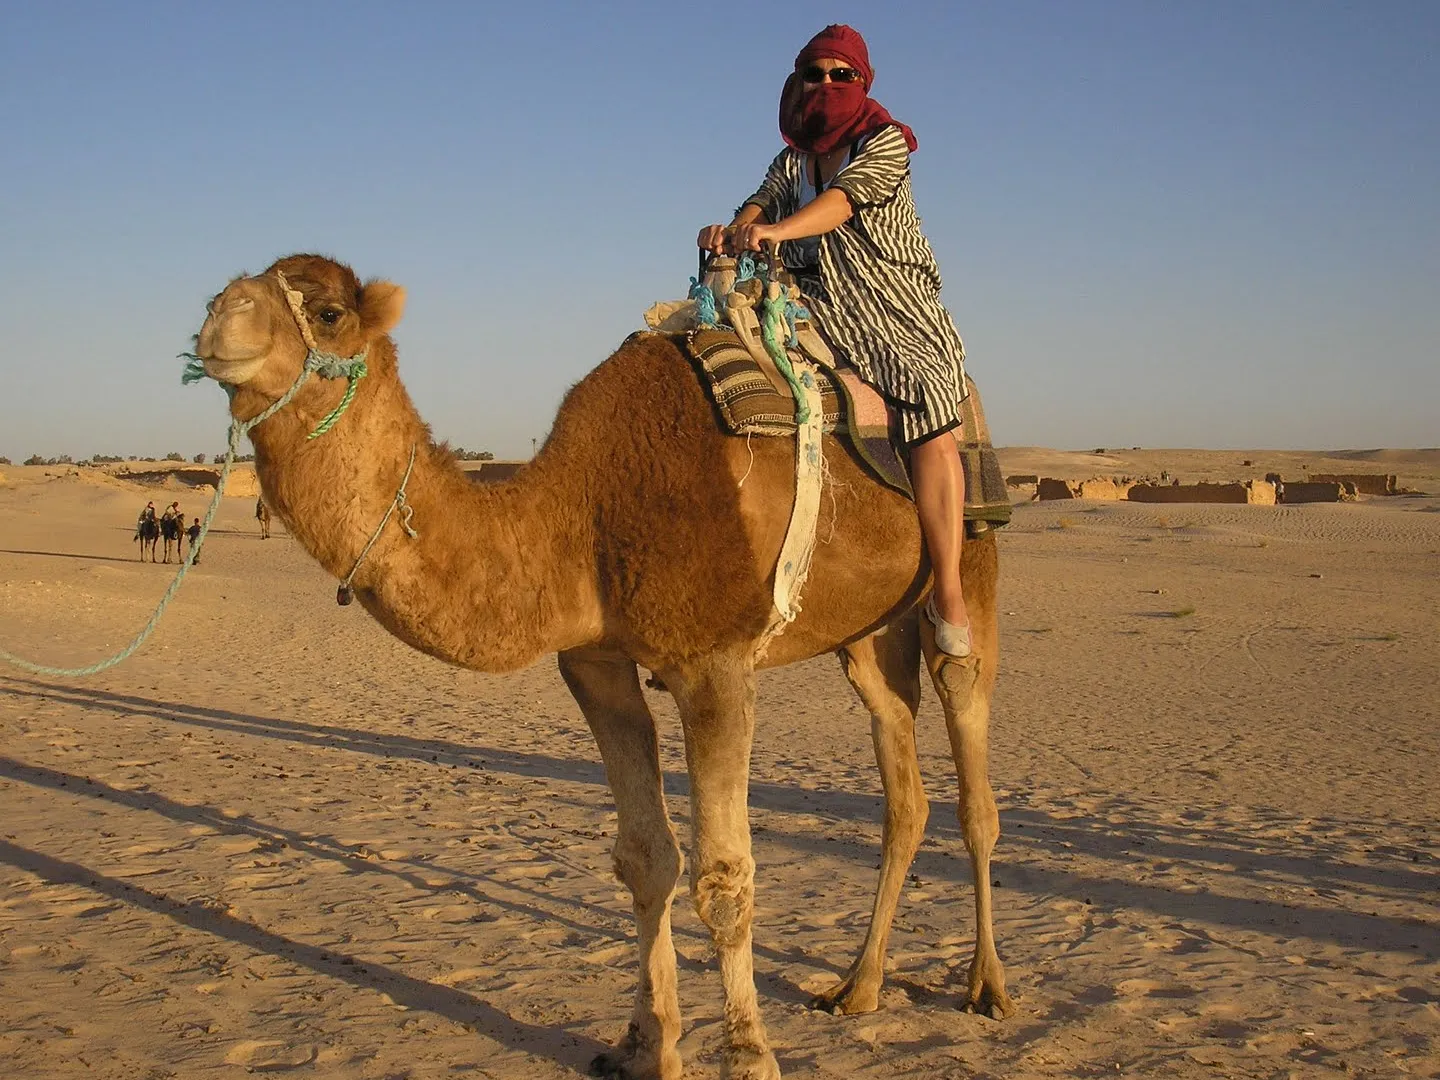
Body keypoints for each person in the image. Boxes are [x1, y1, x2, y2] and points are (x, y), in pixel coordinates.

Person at [696, 24, 973, 655]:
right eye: (814, 74)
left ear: (862, 81)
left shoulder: (884, 143)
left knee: (927, 399)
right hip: (808, 291)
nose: (826, 85)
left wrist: (777, 234)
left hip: (887, 296)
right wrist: (734, 229)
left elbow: (843, 204)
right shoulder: (793, 159)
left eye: (840, 74)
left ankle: (950, 592)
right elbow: (761, 201)